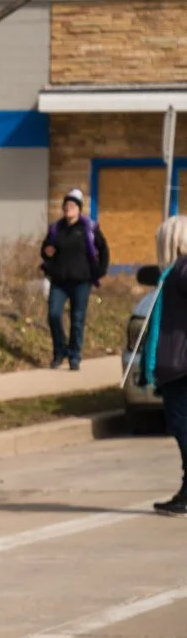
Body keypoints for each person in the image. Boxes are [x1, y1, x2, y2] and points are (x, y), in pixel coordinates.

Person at [138, 215, 187, 515]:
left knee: (183, 428)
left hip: (181, 366)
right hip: (177, 364)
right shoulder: (173, 272)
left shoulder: (181, 270)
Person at [40, 187, 110, 371]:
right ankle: (60, 351)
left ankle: (75, 356)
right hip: (59, 282)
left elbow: (103, 250)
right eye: (66, 206)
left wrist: (100, 271)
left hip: (81, 282)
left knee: (77, 319)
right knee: (54, 315)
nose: (68, 208)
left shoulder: (89, 228)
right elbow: (45, 250)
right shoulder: (56, 229)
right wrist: (47, 253)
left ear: (79, 209)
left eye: (72, 205)